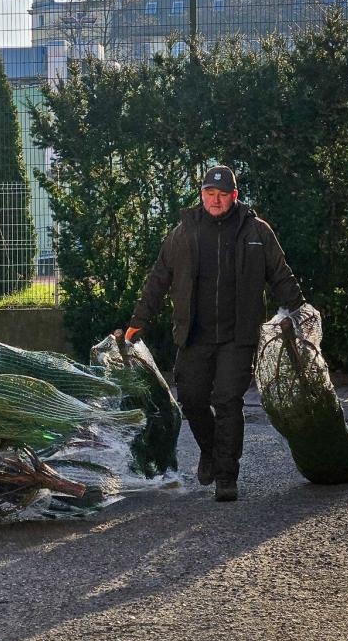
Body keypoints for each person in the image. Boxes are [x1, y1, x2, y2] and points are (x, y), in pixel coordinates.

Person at [125, 165, 304, 502]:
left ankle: (226, 476)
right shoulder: (184, 233)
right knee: (191, 399)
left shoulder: (256, 232)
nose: (216, 200)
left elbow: (281, 275)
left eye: (223, 195)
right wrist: (139, 321)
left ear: (235, 196)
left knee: (227, 401)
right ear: (202, 194)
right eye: (210, 193)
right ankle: (210, 451)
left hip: (238, 336)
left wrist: (300, 312)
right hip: (194, 334)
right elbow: (158, 279)